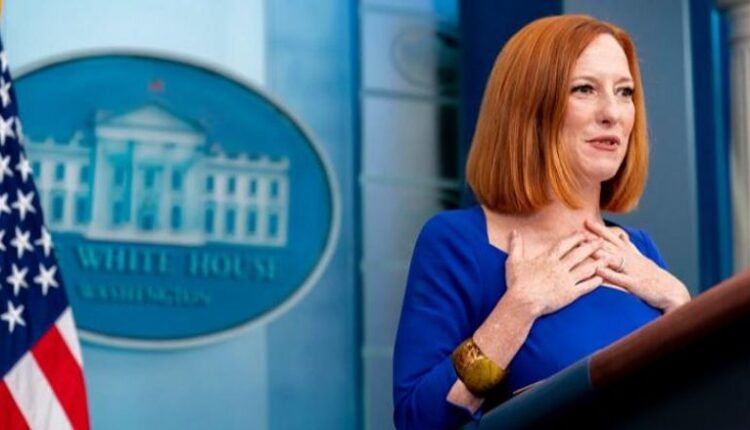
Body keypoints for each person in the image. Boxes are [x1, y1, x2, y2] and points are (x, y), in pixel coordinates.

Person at [392, 15, 691, 429]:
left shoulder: (639, 250)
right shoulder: (457, 242)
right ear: (528, 108)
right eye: (584, 89)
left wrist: (680, 303)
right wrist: (520, 307)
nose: (613, 113)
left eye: (625, 92)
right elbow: (417, 421)